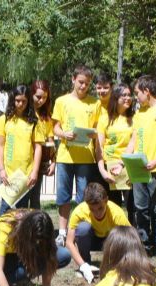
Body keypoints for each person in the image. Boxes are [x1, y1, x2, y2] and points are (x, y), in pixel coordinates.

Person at [122, 75, 156, 267]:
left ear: (147, 91)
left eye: (137, 92)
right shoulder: (139, 114)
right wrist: (123, 162)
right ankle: (144, 246)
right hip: (138, 170)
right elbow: (134, 140)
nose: (136, 97)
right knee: (141, 209)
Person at [52, 65, 102, 246]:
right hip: (65, 156)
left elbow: (99, 129)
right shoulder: (61, 101)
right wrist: (63, 134)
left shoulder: (95, 103)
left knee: (82, 197)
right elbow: (55, 127)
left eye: (87, 84)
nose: (83, 87)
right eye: (81, 82)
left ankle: (79, 232)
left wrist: (94, 134)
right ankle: (62, 232)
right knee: (63, 197)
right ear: (73, 79)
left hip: (85, 158)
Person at [66, 183, 129, 284]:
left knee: (119, 233)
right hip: (91, 240)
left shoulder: (116, 212)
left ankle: (114, 263)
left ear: (106, 201)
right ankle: (86, 264)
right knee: (82, 229)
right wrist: (82, 265)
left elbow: (131, 239)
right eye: (92, 209)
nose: (97, 213)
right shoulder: (79, 211)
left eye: (100, 208)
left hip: (110, 241)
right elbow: (69, 242)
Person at [0, 84, 43, 215]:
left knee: (22, 212)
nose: (20, 104)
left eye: (24, 101)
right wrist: (2, 169)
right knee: (5, 210)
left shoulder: (34, 122)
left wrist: (35, 172)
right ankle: (0, 234)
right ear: (12, 100)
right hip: (8, 174)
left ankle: (20, 235)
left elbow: (38, 147)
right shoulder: (4, 119)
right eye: (17, 100)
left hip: (26, 175)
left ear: (29, 101)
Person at [96, 83, 135, 222]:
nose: (128, 98)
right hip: (109, 168)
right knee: (112, 206)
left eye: (129, 95)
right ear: (115, 97)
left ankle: (133, 238)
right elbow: (99, 147)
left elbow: (133, 143)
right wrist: (103, 171)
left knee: (132, 207)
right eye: (124, 95)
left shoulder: (134, 119)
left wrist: (122, 163)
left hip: (128, 167)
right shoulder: (104, 119)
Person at [29, 79, 56, 210]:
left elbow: (51, 142)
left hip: (39, 163)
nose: (41, 100)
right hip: (22, 162)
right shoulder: (25, 113)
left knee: (35, 198)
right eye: (38, 97)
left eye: (45, 97)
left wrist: (53, 162)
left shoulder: (47, 117)